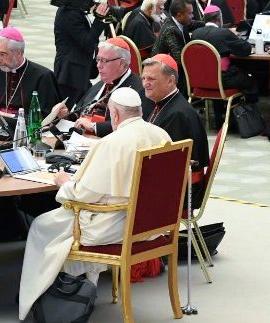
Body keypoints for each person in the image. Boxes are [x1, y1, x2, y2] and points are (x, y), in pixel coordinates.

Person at [18, 87, 170, 320]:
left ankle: (39, 295)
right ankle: (80, 286)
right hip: (151, 225)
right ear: (139, 111)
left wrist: (64, 182)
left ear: (116, 115)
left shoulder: (111, 143)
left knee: (41, 225)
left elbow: (83, 194)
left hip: (111, 226)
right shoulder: (161, 135)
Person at [64, 39, 146, 137]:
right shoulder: (101, 84)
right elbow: (80, 112)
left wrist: (93, 126)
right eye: (98, 60)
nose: (98, 65)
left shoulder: (138, 90)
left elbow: (130, 125)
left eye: (104, 61)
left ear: (121, 63)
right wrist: (65, 115)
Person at [0, 27, 62, 116]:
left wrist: (12, 118)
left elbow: (46, 115)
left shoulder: (43, 76)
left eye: (3, 54)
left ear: (19, 52)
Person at [141, 55, 208, 168]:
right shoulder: (162, 102)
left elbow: (171, 163)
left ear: (170, 81)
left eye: (151, 79)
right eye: (143, 78)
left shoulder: (178, 115)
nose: (145, 84)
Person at [189, 5, 256, 94]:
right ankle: (246, 107)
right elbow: (246, 50)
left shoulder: (195, 34)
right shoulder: (224, 33)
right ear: (220, 19)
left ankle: (219, 108)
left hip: (200, 78)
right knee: (250, 80)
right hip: (221, 80)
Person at [53, 0, 110, 104]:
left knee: (87, 104)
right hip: (70, 74)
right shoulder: (70, 14)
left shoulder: (73, 10)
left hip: (77, 72)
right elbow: (87, 43)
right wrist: (99, 19)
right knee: (65, 112)